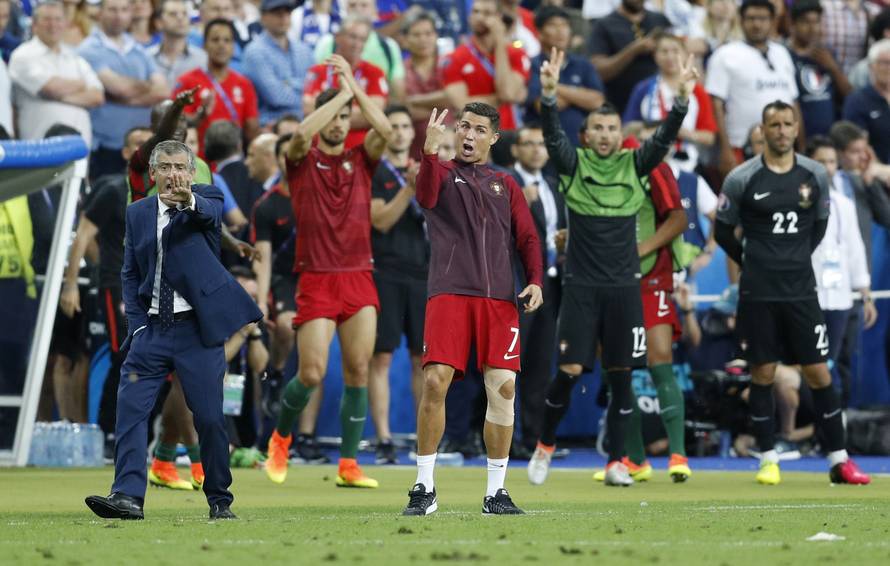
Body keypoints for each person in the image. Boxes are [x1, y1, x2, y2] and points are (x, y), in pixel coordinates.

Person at [526, 48, 692, 487]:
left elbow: (663, 139)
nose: (605, 134)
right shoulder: (572, 164)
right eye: (597, 128)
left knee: (623, 377)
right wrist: (547, 95)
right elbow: (550, 135)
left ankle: (618, 462)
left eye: (611, 128)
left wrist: (681, 102)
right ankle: (543, 446)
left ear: (621, 134)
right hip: (581, 288)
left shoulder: (636, 165)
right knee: (569, 373)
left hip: (624, 288)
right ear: (585, 136)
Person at [85, 140, 263, 520]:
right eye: (165, 167)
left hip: (196, 332)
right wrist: (136, 326)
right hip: (151, 331)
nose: (173, 175)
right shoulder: (137, 213)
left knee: (211, 418)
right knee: (130, 412)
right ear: (153, 174)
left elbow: (211, 216)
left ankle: (219, 498)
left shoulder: (206, 199)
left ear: (191, 171)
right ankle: (128, 497)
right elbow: (130, 271)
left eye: (180, 167)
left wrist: (189, 201)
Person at [713, 100, 870, 486]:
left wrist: (794, 258)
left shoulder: (814, 174)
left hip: (801, 292)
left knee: (819, 373)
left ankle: (839, 460)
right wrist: (753, 261)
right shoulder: (742, 177)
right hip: (758, 293)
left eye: (787, 124)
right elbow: (721, 231)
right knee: (763, 373)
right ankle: (768, 458)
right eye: (774, 125)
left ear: (796, 128)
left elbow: (818, 226)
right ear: (763, 131)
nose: (782, 131)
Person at [402, 102, 542, 516]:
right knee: (435, 382)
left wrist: (534, 279)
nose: (469, 135)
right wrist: (428, 153)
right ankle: (423, 486)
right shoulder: (439, 172)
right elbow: (424, 196)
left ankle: (495, 493)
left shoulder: (506, 183)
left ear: (493, 138)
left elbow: (528, 237)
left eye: (480, 130)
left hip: (499, 299)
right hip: (449, 293)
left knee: (504, 390)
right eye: (464, 126)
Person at [264, 55, 392, 488]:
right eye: (332, 116)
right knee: (312, 372)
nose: (339, 123)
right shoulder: (300, 160)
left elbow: (388, 131)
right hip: (317, 276)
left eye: (344, 117)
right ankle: (281, 437)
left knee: (359, 370)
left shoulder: (362, 159)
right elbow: (300, 133)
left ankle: (349, 465)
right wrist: (339, 93)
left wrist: (352, 88)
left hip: (359, 275)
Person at [59, 126, 153, 443]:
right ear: (126, 152)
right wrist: (72, 284)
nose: (143, 150)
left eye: (148, 145)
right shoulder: (113, 188)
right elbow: (83, 236)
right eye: (137, 144)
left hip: (153, 286)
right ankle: (110, 431)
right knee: (123, 356)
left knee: (154, 359)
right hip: (119, 285)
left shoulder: (160, 192)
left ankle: (140, 433)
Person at [367, 105, 427, 465]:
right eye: (395, 126)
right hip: (386, 272)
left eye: (406, 125)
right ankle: (384, 439)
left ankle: (425, 438)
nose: (401, 132)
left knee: (424, 361)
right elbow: (380, 222)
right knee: (382, 358)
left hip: (424, 273)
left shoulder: (428, 169)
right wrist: (408, 189)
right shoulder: (376, 172)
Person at [807, 136, 877, 406]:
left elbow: (855, 250)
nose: (827, 167)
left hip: (838, 298)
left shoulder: (843, 205)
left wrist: (866, 294)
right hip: (806, 297)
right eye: (821, 161)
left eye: (832, 161)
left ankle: (834, 428)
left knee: (833, 363)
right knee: (811, 363)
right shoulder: (794, 202)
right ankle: (810, 426)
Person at [508, 124, 564, 456]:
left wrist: (563, 242)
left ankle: (533, 438)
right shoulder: (505, 182)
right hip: (518, 283)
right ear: (515, 149)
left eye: (541, 143)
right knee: (512, 362)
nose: (535, 150)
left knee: (541, 363)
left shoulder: (554, 187)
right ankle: (508, 438)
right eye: (528, 144)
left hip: (552, 283)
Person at [706, 0, 798, 178]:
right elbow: (715, 105)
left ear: (773, 21)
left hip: (783, 147)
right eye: (751, 18)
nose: (757, 24)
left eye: (763, 18)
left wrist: (798, 144)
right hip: (740, 147)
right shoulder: (725, 54)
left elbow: (793, 101)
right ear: (740, 20)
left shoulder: (782, 53)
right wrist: (725, 149)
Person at [78, 0, 169, 179]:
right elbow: (120, 88)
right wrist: (144, 87)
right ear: (100, 12)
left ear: (130, 13)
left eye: (124, 9)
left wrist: (118, 96)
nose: (119, 15)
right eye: (112, 9)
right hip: (106, 146)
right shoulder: (88, 49)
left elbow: (163, 91)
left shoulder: (138, 49)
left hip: (144, 146)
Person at [7, 1, 104, 144]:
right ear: (34, 25)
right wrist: (82, 84)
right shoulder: (22, 55)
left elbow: (97, 96)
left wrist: (58, 96)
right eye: (47, 19)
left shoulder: (75, 58)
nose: (53, 25)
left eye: (58, 19)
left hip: (80, 146)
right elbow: (51, 88)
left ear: (65, 24)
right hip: (39, 147)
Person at [624, 33, 717, 173]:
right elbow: (627, 129)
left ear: (686, 54)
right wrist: (652, 130)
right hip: (649, 164)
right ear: (655, 55)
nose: (670, 56)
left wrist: (686, 134)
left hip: (687, 165)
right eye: (664, 51)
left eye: (675, 51)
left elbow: (710, 137)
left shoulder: (698, 92)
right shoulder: (643, 89)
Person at [173, 18, 260, 153]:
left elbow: (251, 128)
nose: (221, 45)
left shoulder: (244, 84)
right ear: (205, 45)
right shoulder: (187, 81)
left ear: (233, 46)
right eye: (215, 39)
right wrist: (200, 115)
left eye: (227, 40)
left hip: (232, 161)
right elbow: (175, 123)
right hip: (197, 162)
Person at [440, 0, 529, 132]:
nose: (479, 17)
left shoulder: (516, 54)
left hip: (510, 132)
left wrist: (499, 42)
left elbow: (508, 93)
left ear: (499, 18)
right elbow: (461, 105)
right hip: (474, 135)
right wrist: (504, 98)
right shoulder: (454, 58)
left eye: (487, 13)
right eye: (475, 12)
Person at [302, 15, 388, 149]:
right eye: (353, 37)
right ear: (337, 37)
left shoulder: (375, 73)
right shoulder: (317, 71)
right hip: (319, 149)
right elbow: (308, 110)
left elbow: (374, 116)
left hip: (360, 150)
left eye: (362, 39)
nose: (357, 44)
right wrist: (358, 111)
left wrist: (324, 115)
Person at [525, 5, 604, 148]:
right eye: (553, 25)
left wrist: (552, 85)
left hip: (581, 145)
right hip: (544, 146)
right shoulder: (533, 64)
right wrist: (579, 94)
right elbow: (544, 106)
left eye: (564, 25)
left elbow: (597, 101)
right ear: (540, 33)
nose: (560, 31)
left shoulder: (583, 63)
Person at [587, 0, 672, 116]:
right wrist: (633, 50)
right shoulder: (604, 25)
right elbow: (599, 71)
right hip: (619, 105)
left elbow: (678, 52)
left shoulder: (660, 20)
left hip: (660, 102)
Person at [314, 0, 404, 102]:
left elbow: (398, 92)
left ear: (375, 10)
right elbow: (317, 77)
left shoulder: (388, 45)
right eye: (353, 5)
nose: (358, 9)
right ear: (345, 9)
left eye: (364, 5)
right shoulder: (327, 42)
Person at [243, 0, 314, 127]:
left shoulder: (304, 50)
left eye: (287, 12)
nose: (283, 17)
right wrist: (306, 97)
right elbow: (276, 97)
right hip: (272, 124)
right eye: (277, 12)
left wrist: (289, 83)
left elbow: (315, 87)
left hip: (307, 122)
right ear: (263, 17)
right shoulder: (254, 51)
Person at [786, 0, 851, 139]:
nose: (812, 28)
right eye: (805, 22)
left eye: (816, 22)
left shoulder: (826, 54)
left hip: (830, 138)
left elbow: (849, 95)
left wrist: (833, 68)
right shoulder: (784, 55)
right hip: (800, 137)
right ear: (792, 24)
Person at [401, 9, 449, 161]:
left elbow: (455, 98)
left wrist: (414, 100)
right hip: (415, 154)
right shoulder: (400, 70)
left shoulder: (448, 64)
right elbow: (403, 111)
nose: (423, 39)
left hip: (451, 152)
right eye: (416, 35)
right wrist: (443, 108)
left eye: (428, 33)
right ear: (405, 39)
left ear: (436, 36)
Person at [842, 39, 890, 165]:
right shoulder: (858, 100)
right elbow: (858, 147)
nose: (888, 67)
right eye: (884, 63)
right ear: (871, 66)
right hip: (874, 174)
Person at [148, 0, 207, 87]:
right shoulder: (147, 58)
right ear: (159, 23)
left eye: (184, 13)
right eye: (173, 14)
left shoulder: (203, 59)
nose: (180, 18)